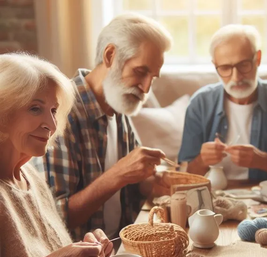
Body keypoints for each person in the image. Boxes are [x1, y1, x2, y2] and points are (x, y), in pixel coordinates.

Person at [32, 13, 173, 241]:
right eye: (140, 71)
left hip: (122, 249)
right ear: (110, 55)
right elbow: (55, 218)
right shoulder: (60, 113)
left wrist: (152, 182)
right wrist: (118, 175)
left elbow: (133, 182)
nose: (146, 88)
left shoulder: (118, 103)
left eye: (153, 77)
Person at [0, 53, 113, 257]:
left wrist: (83, 252)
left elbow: (47, 255)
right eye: (35, 108)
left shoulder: (30, 176)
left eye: (53, 110)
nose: (51, 125)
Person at [178, 24, 267, 181]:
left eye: (243, 65)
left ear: (258, 59)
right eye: (225, 68)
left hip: (264, 198)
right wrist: (202, 160)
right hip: (211, 197)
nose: (236, 77)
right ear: (214, 65)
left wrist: (262, 160)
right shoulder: (200, 104)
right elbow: (183, 174)